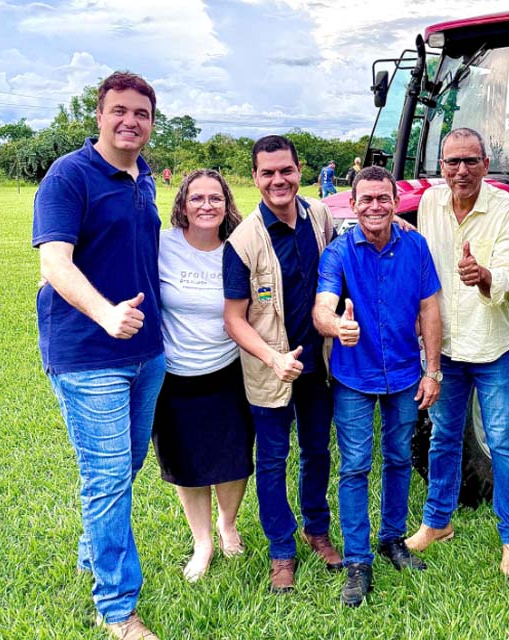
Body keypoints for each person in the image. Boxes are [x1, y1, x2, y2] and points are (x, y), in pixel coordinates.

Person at [33, 71, 163, 640]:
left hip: (147, 352)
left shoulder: (146, 177)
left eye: (142, 113)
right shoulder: (69, 176)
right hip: (89, 353)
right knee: (108, 476)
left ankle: (92, 550)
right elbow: (54, 264)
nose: (130, 120)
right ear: (99, 115)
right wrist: (106, 313)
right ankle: (116, 608)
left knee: (128, 464)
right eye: (119, 110)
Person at [313, 165, 442, 607]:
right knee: (354, 467)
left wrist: (433, 370)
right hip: (354, 376)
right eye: (365, 199)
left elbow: (429, 310)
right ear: (353, 204)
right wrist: (336, 326)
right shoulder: (337, 254)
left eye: (382, 198)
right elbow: (322, 308)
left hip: (406, 373)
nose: (374, 206)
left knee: (399, 457)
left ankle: (391, 540)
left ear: (394, 201)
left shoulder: (417, 246)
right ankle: (357, 560)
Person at [407, 127, 509, 576]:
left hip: (494, 344)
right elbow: (424, 269)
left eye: (470, 161)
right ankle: (437, 522)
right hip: (447, 348)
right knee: (442, 437)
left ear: (486, 164)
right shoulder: (428, 204)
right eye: (452, 162)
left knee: (503, 443)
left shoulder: (508, 209)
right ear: (441, 166)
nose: (461, 170)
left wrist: (481, 276)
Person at [222, 135, 342, 593]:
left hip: (318, 365)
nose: (278, 180)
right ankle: (280, 551)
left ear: (299, 170)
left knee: (317, 452)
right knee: (272, 460)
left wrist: (402, 227)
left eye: (286, 170)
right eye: (267, 173)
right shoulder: (243, 241)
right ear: (254, 178)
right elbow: (234, 319)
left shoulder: (321, 216)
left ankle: (316, 530)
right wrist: (272, 357)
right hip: (269, 369)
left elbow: (342, 260)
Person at [151, 169, 254, 583]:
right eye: (197, 198)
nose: (207, 206)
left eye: (215, 198)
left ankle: (228, 525)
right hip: (174, 376)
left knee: (232, 461)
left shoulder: (238, 249)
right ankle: (202, 541)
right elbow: (114, 262)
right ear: (183, 204)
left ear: (227, 204)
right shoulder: (162, 245)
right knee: (186, 464)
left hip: (227, 372)